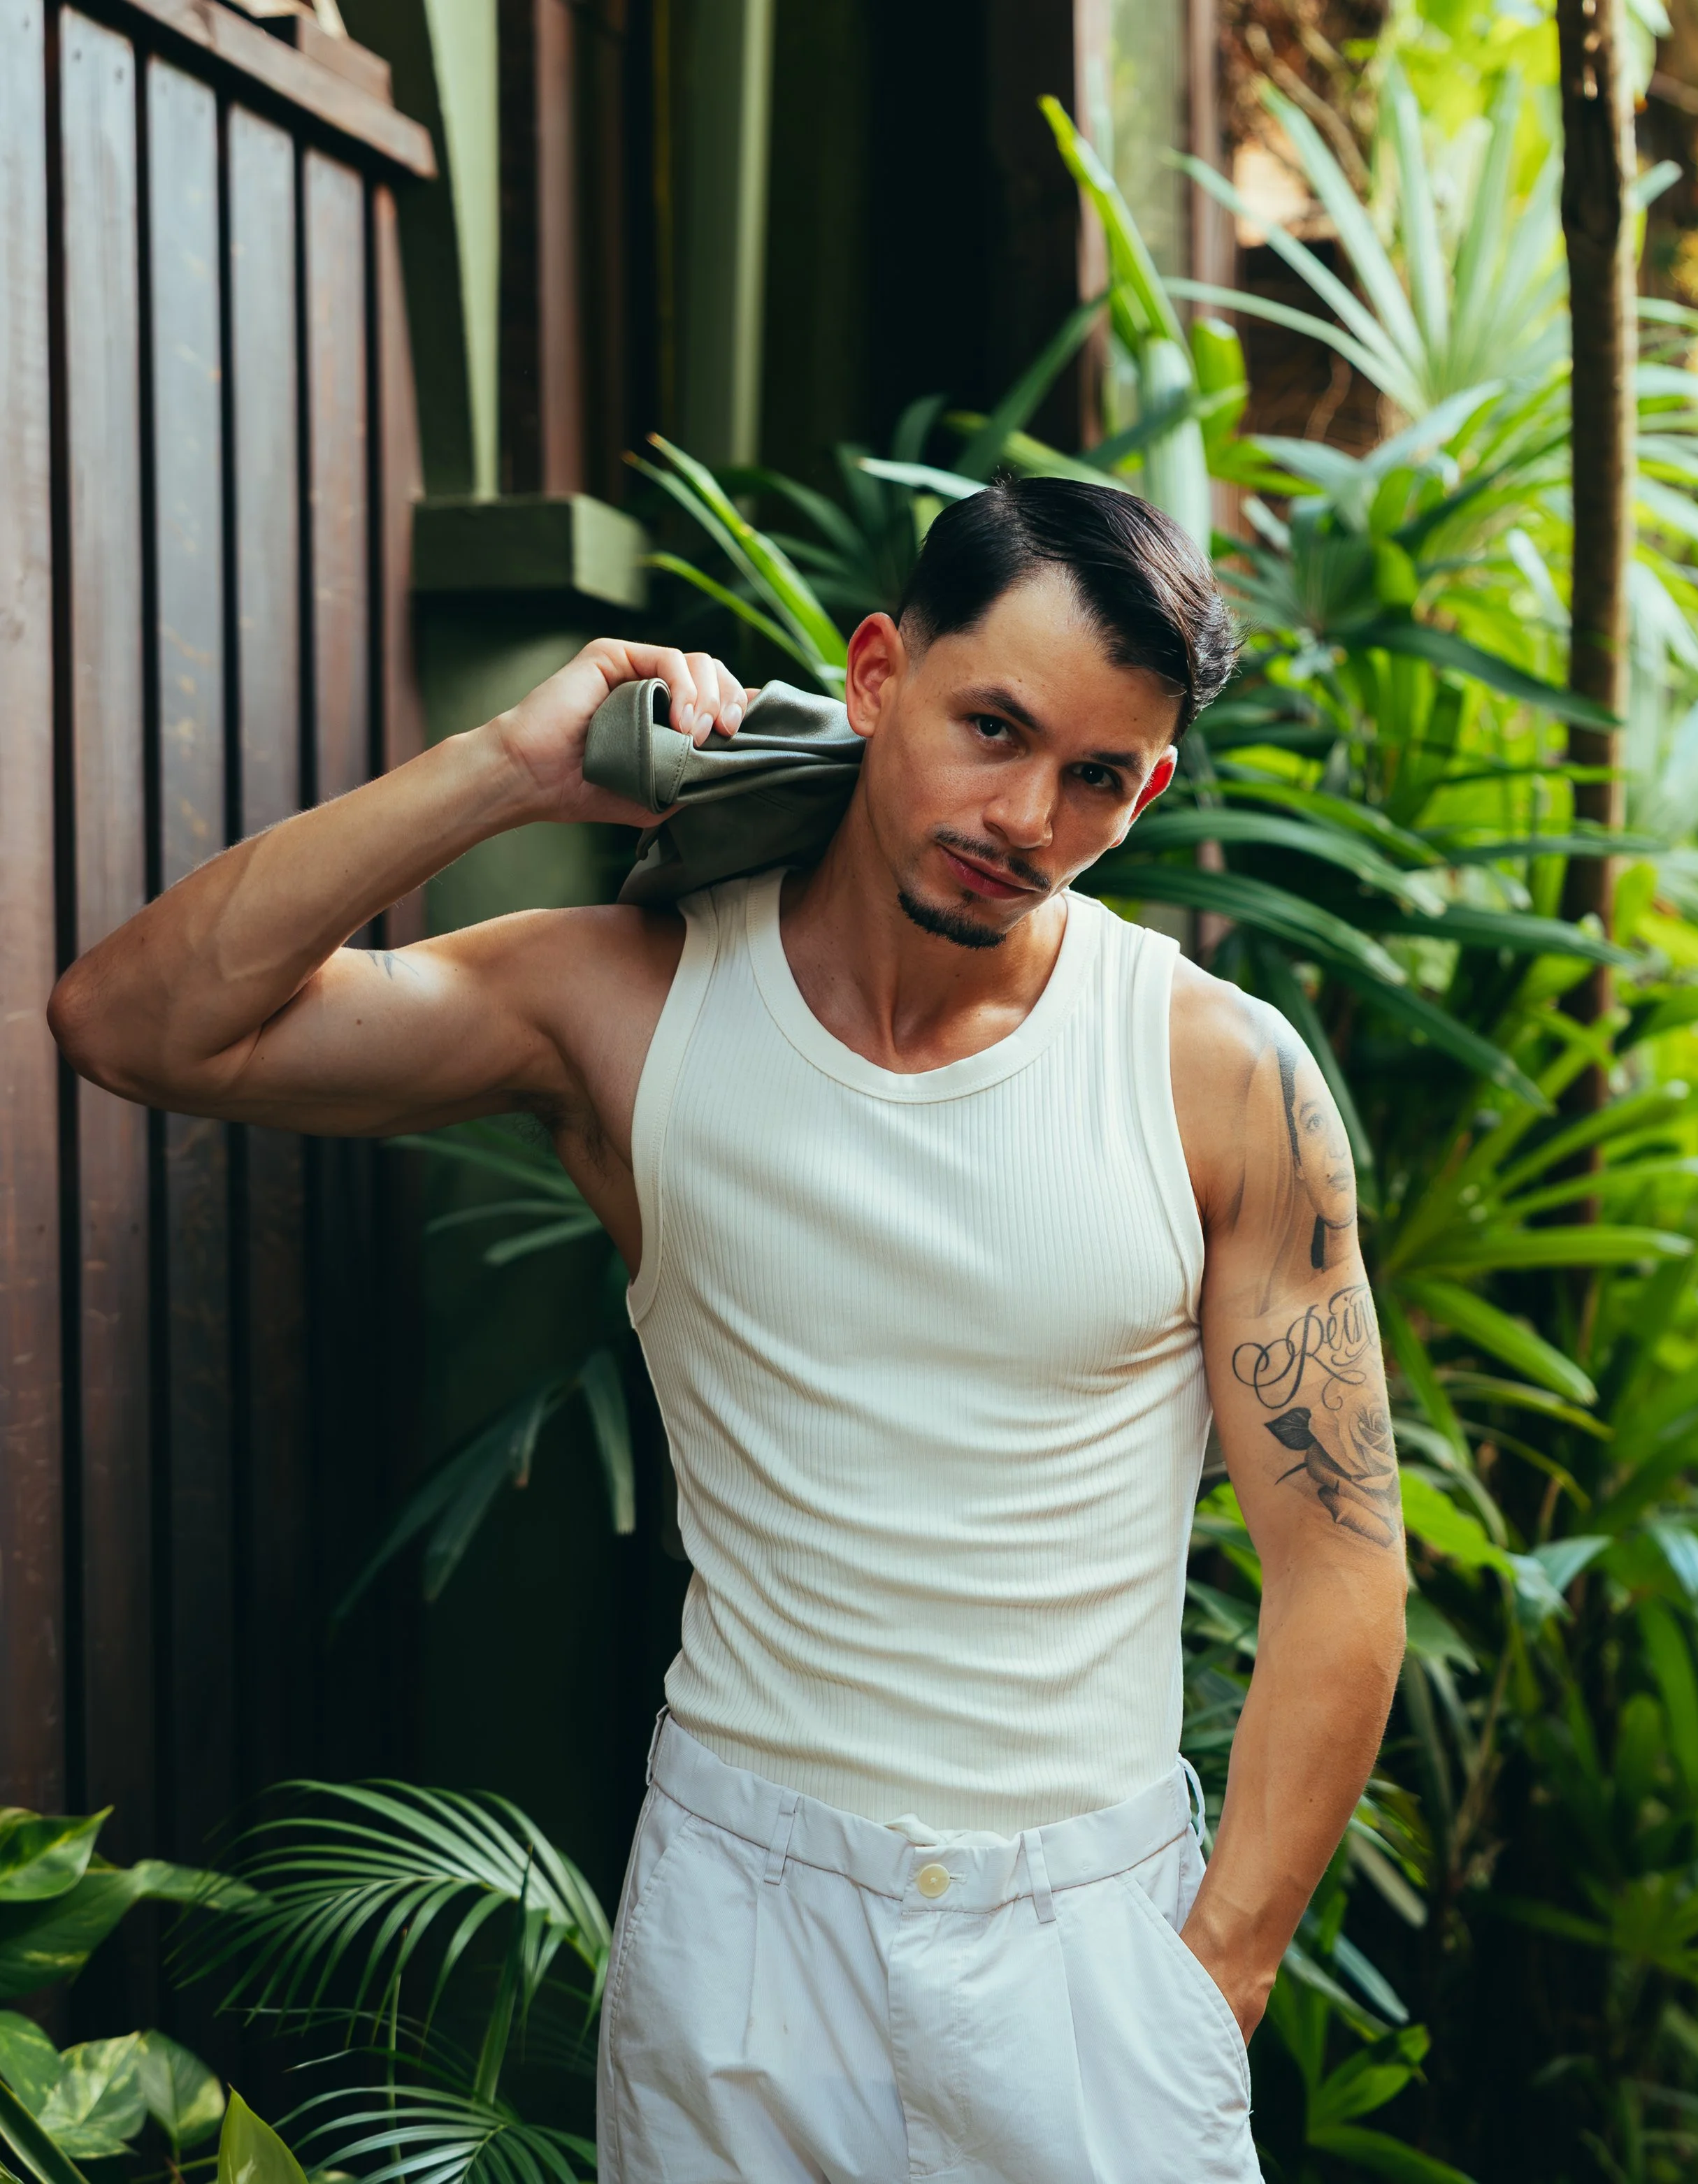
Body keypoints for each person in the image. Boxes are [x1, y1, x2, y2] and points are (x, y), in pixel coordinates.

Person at [50, 477, 1408, 2183]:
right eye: (991, 725)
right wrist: (507, 767)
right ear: (872, 673)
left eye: (1096, 777)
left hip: (1084, 1941)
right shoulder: (623, 1005)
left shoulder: (1215, 1073)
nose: (1024, 812)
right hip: (741, 1930)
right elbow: (135, 1021)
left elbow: (1340, 1562)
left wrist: (1212, 1973)